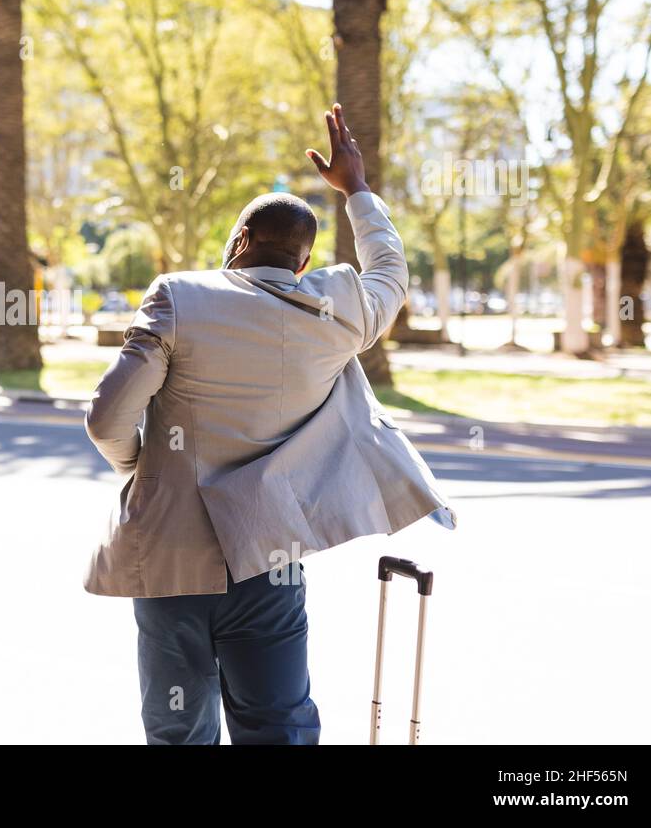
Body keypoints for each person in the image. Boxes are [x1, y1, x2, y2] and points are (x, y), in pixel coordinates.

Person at [83, 104, 450, 745]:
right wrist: (356, 187)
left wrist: (136, 467)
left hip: (170, 556)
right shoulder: (341, 310)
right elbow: (391, 271)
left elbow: (108, 417)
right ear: (302, 263)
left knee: (178, 729)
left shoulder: (179, 296)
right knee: (277, 724)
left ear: (241, 243)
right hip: (268, 556)